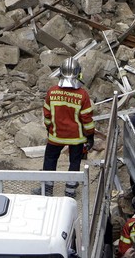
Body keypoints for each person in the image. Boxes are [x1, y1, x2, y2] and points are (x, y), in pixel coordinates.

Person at [42, 58, 95, 198]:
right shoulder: (82, 95)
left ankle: (47, 189)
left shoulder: (52, 92)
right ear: (78, 74)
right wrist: (90, 135)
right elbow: (87, 119)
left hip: (55, 135)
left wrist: (49, 128)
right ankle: (70, 191)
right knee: (74, 161)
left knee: (50, 160)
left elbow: (47, 115)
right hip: (76, 137)